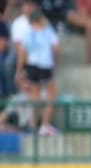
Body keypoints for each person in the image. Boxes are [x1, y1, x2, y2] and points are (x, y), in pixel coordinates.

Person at [12, 0, 58, 135]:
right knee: (51, 96)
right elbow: (56, 48)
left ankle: (33, 125)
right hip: (45, 66)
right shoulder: (48, 31)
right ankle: (44, 125)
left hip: (32, 67)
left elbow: (22, 54)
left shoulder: (27, 34)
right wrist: (55, 65)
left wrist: (19, 71)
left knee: (35, 97)